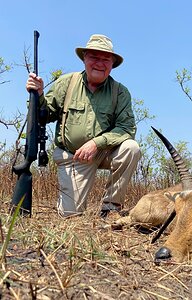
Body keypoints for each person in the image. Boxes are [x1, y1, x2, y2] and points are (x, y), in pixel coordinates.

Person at [26, 34, 141, 218]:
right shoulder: (66, 82)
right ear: (85, 58)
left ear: (112, 64)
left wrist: (96, 143)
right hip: (74, 156)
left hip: (104, 152)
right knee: (70, 216)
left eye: (105, 59)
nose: (100, 63)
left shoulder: (120, 92)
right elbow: (43, 115)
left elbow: (126, 128)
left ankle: (110, 209)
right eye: (94, 57)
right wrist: (38, 94)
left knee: (131, 148)